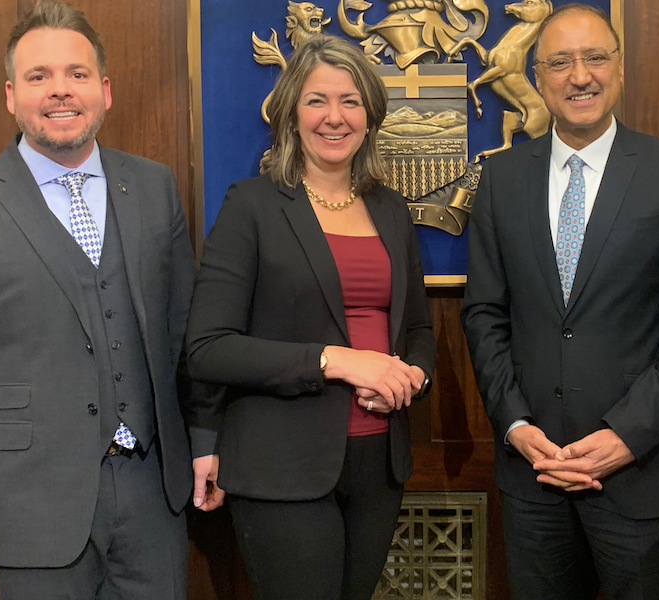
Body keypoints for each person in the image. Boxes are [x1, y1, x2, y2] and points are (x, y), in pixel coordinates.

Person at [0, 2, 211, 599]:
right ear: (11, 95)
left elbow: (185, 340)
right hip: (26, 512)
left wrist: (207, 442)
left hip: (153, 506)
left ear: (105, 90)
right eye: (39, 77)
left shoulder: (153, 187)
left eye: (78, 74)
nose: (60, 91)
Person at [461, 4, 659, 599]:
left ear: (620, 68)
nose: (579, 75)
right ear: (537, 77)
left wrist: (626, 435)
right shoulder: (500, 180)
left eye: (594, 57)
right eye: (560, 62)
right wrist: (514, 424)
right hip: (534, 478)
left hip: (639, 476)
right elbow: (484, 315)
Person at [185, 35, 436, 600]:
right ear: (291, 114)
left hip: (379, 464)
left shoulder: (391, 210)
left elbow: (419, 330)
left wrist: (411, 378)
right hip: (282, 465)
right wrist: (338, 361)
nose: (334, 116)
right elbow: (209, 347)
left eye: (350, 101)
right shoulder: (251, 204)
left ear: (370, 116)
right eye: (317, 100)